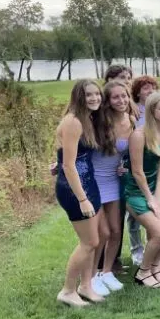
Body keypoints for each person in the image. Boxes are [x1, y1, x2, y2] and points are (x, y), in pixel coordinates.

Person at [54, 79, 104, 307]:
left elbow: (66, 155)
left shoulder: (87, 118)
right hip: (75, 190)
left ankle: (86, 286)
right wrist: (82, 199)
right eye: (89, 95)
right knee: (89, 242)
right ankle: (67, 290)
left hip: (89, 182)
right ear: (78, 97)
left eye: (97, 94)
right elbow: (69, 165)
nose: (94, 98)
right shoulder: (73, 121)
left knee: (94, 241)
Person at [122, 92, 160, 288]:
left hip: (154, 189)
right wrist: (149, 198)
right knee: (159, 233)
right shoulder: (139, 135)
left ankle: (155, 268)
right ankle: (143, 272)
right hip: (135, 191)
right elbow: (137, 171)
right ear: (152, 111)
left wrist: (158, 195)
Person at [90, 81, 134, 296]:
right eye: (115, 97)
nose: (121, 100)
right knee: (102, 232)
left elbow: (130, 153)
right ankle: (92, 275)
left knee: (116, 230)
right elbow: (80, 148)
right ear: (107, 100)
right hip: (95, 180)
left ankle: (107, 272)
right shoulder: (98, 121)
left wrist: (124, 167)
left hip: (115, 181)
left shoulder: (131, 120)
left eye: (124, 96)